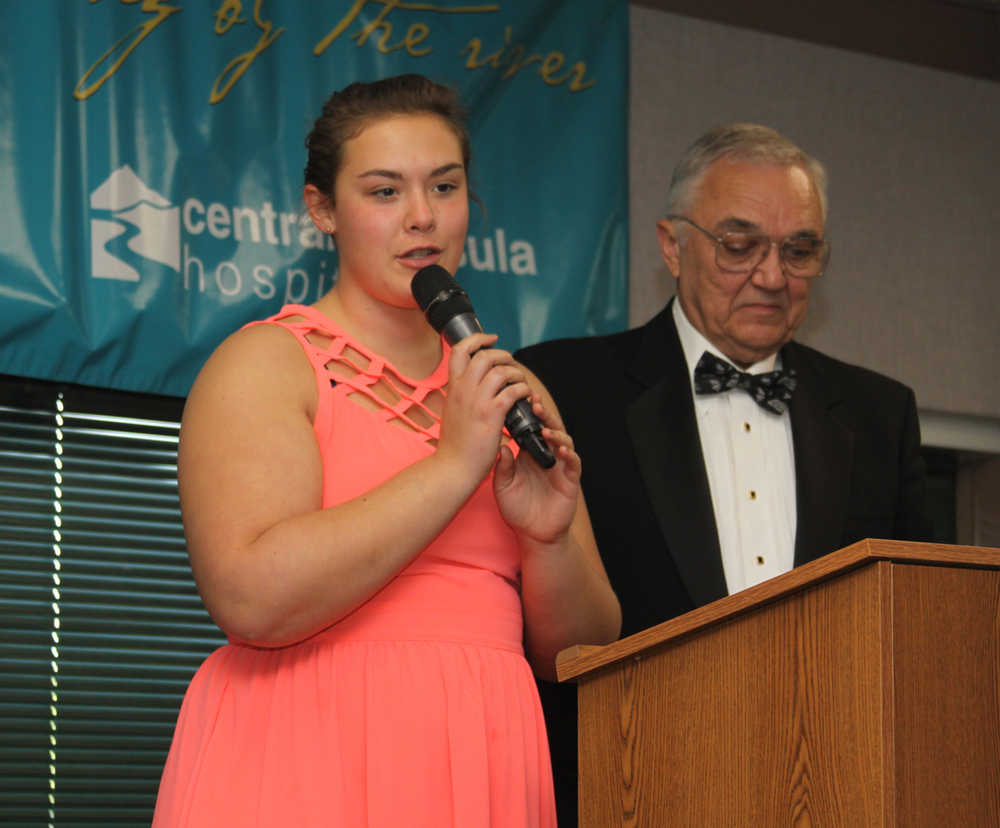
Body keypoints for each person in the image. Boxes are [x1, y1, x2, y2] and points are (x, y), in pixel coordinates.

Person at [152, 74, 621, 827]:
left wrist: (550, 535)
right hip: (307, 756)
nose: (423, 219)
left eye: (445, 186)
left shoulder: (507, 386)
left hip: (484, 757)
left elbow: (580, 653)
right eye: (384, 192)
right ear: (322, 210)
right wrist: (451, 468)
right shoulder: (265, 364)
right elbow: (251, 600)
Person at [515, 122, 930, 826]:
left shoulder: (879, 414)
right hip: (628, 785)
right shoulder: (564, 386)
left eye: (800, 251)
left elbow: (912, 635)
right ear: (672, 246)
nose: (772, 276)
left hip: (830, 793)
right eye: (740, 246)